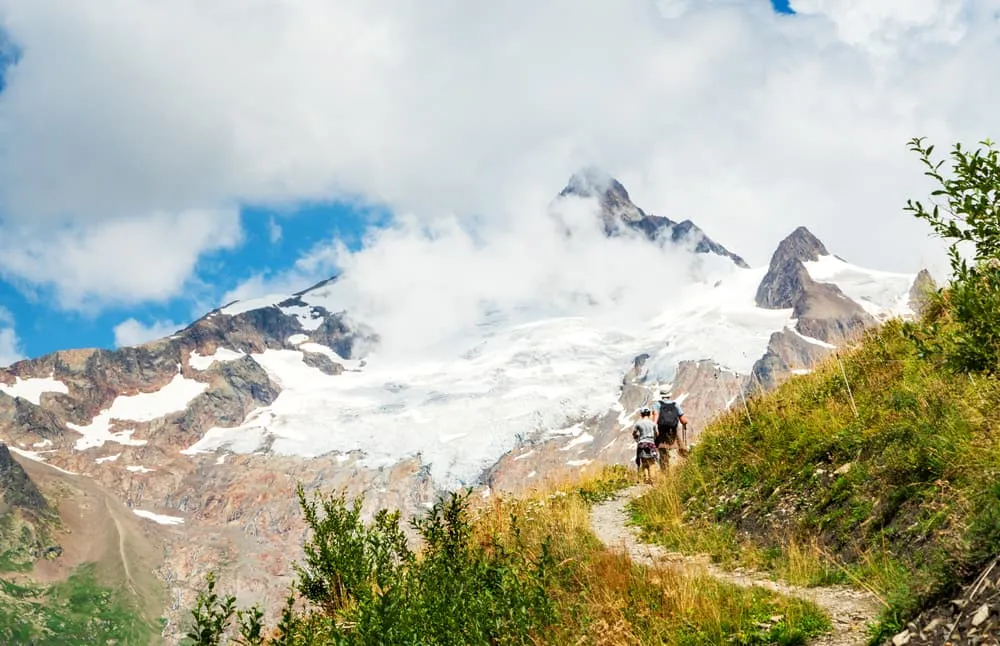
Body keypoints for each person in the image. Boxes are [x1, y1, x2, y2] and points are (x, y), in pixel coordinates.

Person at [652, 389, 689, 471]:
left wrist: (654, 426)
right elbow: (683, 420)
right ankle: (679, 467)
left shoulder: (657, 405)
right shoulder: (675, 405)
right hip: (673, 433)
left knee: (663, 451)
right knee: (677, 449)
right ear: (669, 395)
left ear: (661, 395)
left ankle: (665, 471)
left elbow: (655, 416)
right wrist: (685, 423)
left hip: (662, 433)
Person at [632, 407, 658, 483]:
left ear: (641, 414)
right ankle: (652, 479)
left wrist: (636, 438)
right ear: (649, 414)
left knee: (643, 461)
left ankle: (646, 479)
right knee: (652, 462)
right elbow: (657, 433)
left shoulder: (638, 423)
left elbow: (634, 433)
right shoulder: (653, 424)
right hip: (651, 444)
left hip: (641, 444)